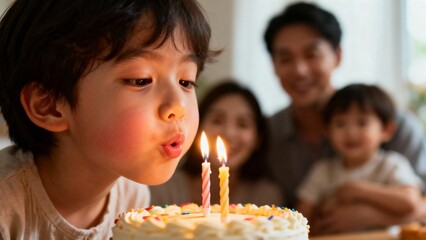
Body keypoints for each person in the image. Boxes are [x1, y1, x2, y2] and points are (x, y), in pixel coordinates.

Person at [0, 0, 218, 238]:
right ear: (50, 106)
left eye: (186, 82)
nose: (178, 106)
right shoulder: (7, 207)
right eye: (141, 80)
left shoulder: (133, 197)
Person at [263, 1, 426, 233]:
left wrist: (369, 215)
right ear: (274, 66)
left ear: (337, 56)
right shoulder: (268, 134)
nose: (300, 69)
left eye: (312, 54)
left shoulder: (393, 123)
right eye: (286, 58)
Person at [296, 83, 423, 234]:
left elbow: (410, 201)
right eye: (340, 124)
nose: (351, 132)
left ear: (386, 130)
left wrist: (358, 190)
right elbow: (301, 216)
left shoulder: (392, 164)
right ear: (327, 132)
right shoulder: (323, 170)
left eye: (362, 123)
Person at [150, 81, 283, 206]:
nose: (229, 133)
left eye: (243, 124)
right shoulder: (162, 188)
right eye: (217, 121)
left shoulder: (266, 199)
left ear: (258, 138)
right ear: (197, 126)